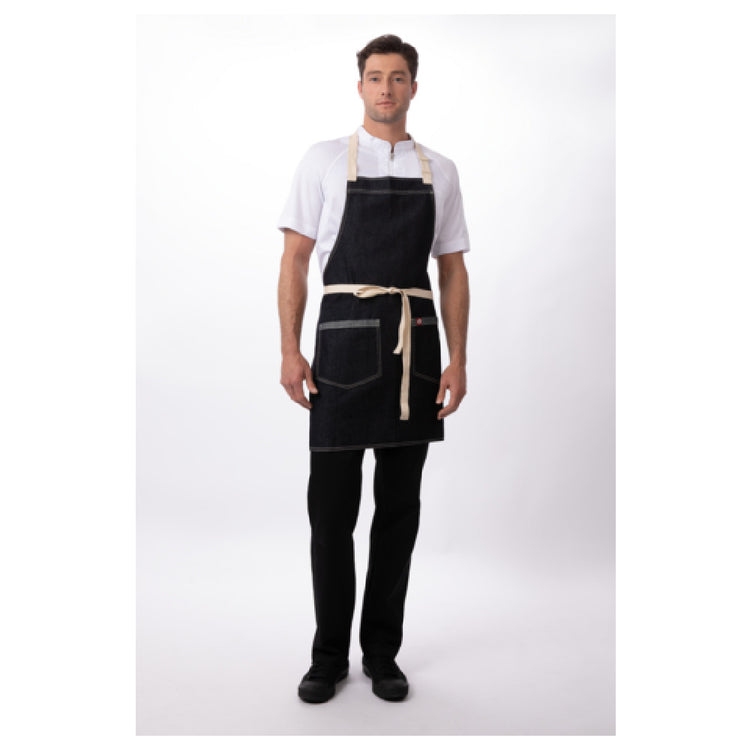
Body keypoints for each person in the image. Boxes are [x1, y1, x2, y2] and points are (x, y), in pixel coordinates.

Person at [277, 34, 470, 703]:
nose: (386, 88)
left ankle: (382, 654)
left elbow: (452, 270)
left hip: (417, 348)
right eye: (375, 77)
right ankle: (328, 656)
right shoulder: (324, 160)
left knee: (399, 513)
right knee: (331, 514)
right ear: (359, 85)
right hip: (341, 347)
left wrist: (459, 358)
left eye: (398, 77)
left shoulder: (440, 170)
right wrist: (289, 349)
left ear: (414, 86)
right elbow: (295, 259)